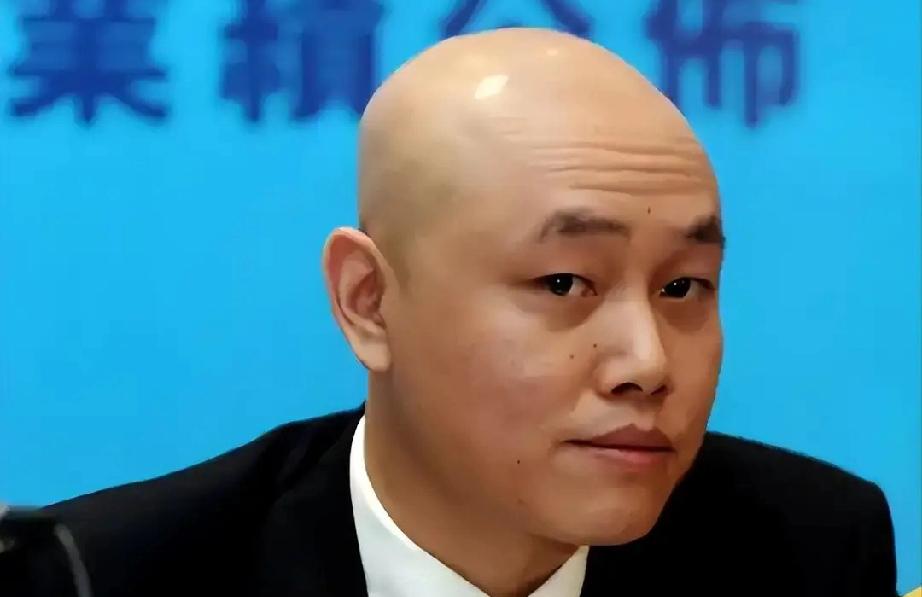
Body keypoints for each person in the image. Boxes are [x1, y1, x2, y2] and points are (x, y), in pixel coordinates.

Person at [5, 28, 898, 597]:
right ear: (368, 301)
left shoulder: (807, 550)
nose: (648, 362)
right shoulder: (105, 576)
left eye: (683, 288)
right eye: (565, 283)